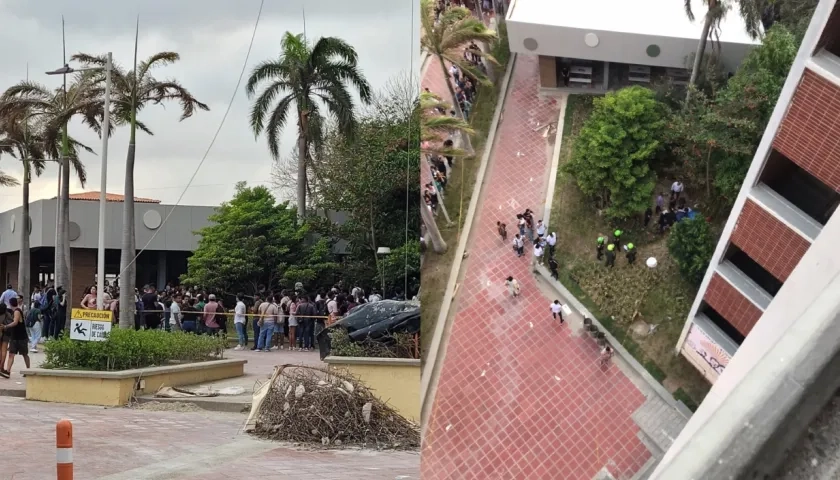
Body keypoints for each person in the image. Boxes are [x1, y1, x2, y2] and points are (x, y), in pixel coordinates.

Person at [2, 297, 30, 377]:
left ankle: (28, 370)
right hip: (15, 337)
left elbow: (15, 322)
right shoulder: (14, 311)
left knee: (24, 354)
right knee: (11, 354)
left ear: (10, 304)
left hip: (21, 337)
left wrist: (6, 326)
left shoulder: (17, 311)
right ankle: (7, 371)